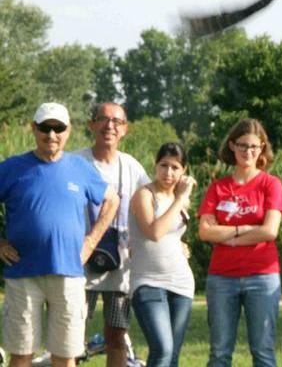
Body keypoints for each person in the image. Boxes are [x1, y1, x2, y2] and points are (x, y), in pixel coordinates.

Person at [0, 102, 119, 367]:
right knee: (20, 355)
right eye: (45, 127)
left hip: (69, 274)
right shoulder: (11, 167)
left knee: (65, 357)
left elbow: (112, 200)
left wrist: (90, 242)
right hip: (22, 275)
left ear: (68, 131)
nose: (51, 135)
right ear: (34, 128)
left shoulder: (80, 167)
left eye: (58, 128)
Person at [198, 119, 282, 367]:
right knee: (219, 352)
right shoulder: (218, 188)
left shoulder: (271, 184)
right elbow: (205, 231)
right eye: (242, 145)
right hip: (222, 277)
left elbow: (269, 231)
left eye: (254, 146)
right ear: (232, 146)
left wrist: (227, 237)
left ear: (262, 149)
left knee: (263, 351)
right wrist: (244, 229)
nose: (248, 151)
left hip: (262, 277)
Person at [76, 102, 150, 367]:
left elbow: (151, 206)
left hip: (120, 265)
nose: (110, 126)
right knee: (71, 336)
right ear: (91, 124)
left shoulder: (132, 167)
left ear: (125, 129)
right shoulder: (75, 162)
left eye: (117, 122)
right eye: (103, 119)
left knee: (117, 336)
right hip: (79, 261)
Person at [129, 143, 196, 367]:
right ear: (155, 165)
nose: (168, 172)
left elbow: (172, 233)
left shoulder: (179, 199)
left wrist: (181, 244)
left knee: (172, 355)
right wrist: (180, 199)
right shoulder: (144, 194)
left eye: (175, 167)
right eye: (164, 165)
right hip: (148, 282)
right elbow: (154, 233)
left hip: (181, 284)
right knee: (162, 350)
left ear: (183, 170)